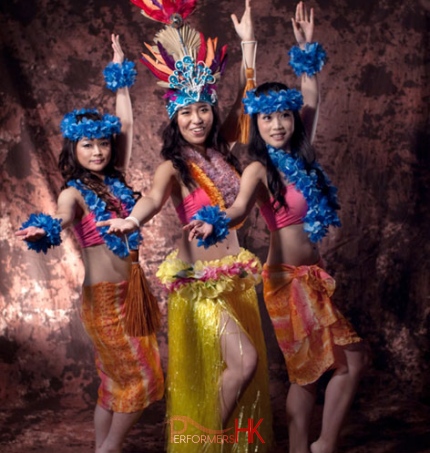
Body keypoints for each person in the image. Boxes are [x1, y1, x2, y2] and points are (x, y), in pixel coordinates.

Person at [185, 3, 369, 453]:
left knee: (308, 373)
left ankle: (304, 448)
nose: (277, 124)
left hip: (312, 276)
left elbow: (311, 95)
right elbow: (238, 210)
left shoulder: (299, 155)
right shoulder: (257, 169)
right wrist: (213, 222)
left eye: (283, 115)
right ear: (257, 124)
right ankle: (320, 445)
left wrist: (305, 48)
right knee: (343, 363)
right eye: (266, 118)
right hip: (287, 282)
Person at [97, 1, 273, 451]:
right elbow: (153, 199)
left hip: (232, 278)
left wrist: (248, 42)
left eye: (203, 109)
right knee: (244, 363)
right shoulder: (172, 166)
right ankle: (206, 445)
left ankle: (216, 445)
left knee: (236, 370)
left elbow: (245, 94)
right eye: (186, 112)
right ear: (174, 116)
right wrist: (130, 219)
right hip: (197, 287)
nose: (197, 119)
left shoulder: (226, 149)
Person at [15, 34, 164, 453]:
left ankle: (103, 447)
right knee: (140, 379)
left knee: (112, 382)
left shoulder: (116, 181)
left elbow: (128, 126)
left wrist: (120, 79)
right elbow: (61, 219)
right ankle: (109, 447)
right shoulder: (74, 192)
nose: (98, 151)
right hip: (104, 301)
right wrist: (45, 228)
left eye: (102, 143)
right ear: (74, 149)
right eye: (88, 145)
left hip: (133, 290)